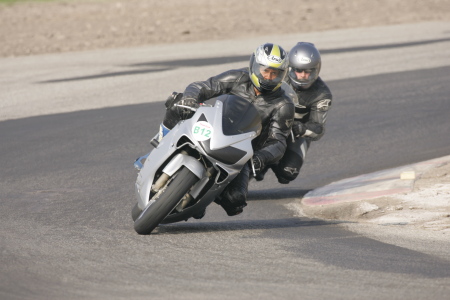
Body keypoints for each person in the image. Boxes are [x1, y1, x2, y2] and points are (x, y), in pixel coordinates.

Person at [156, 43, 295, 217]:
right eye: (265, 71)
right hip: (212, 126)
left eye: (275, 74)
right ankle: (161, 142)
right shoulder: (237, 77)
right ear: (254, 66)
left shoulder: (284, 105)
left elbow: (278, 141)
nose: (268, 77)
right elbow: (203, 86)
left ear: (283, 75)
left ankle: (201, 196)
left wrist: (260, 158)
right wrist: (191, 98)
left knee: (235, 201)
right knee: (178, 102)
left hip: (240, 152)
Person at [256, 42, 332, 184]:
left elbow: (318, 129)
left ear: (316, 70)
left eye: (308, 71)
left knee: (288, 174)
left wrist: (300, 128)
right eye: (298, 70)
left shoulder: (322, 94)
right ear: (289, 68)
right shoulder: (277, 77)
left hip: (295, 134)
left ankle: (272, 162)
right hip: (269, 124)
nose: (303, 75)